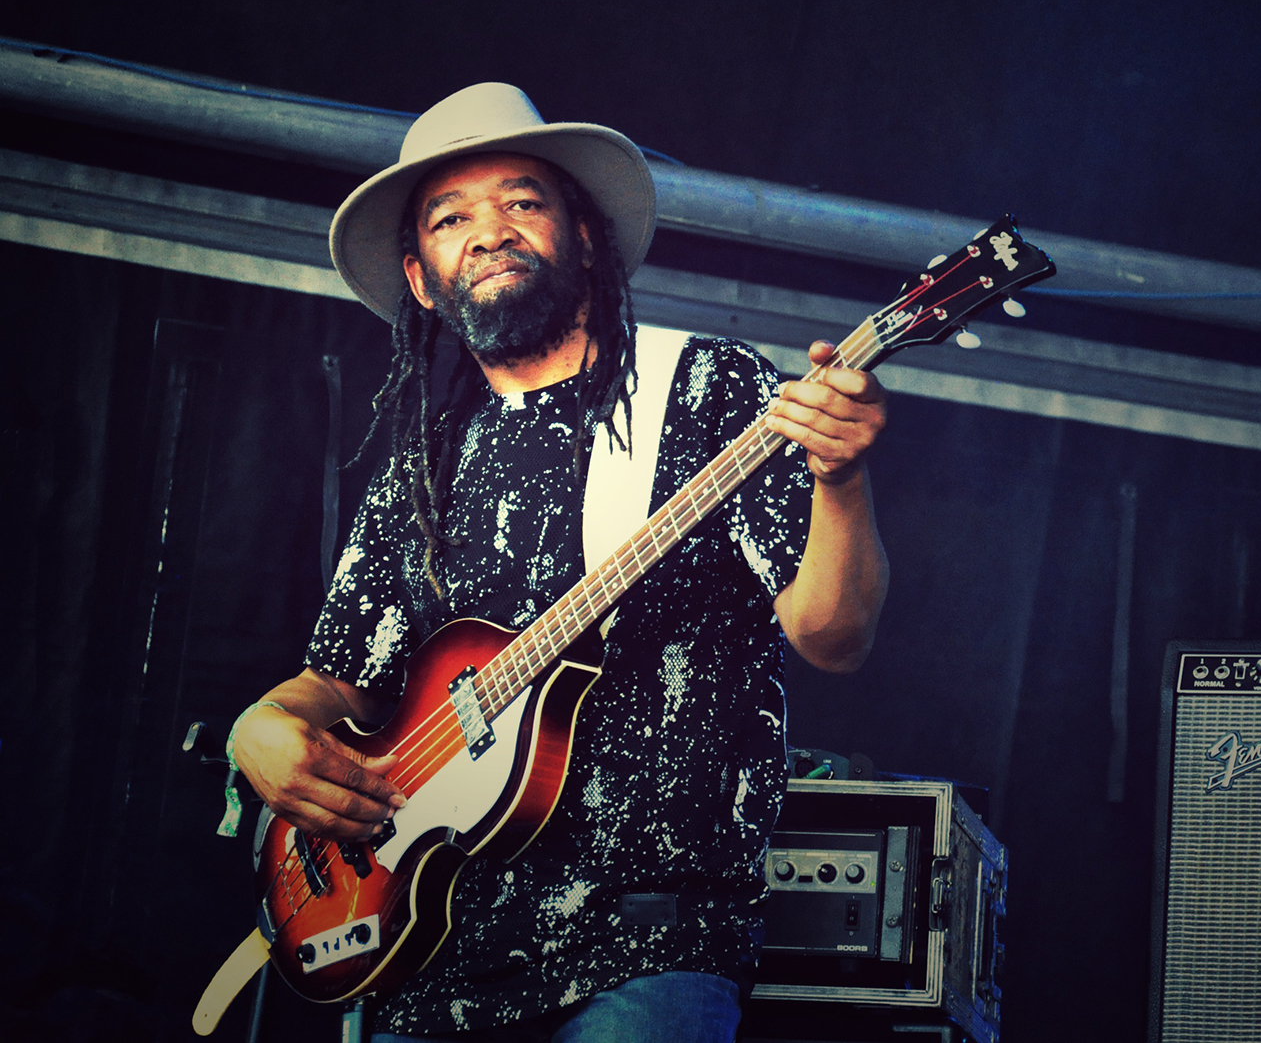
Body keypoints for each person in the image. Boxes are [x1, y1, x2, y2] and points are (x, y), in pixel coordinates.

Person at [228, 82, 888, 1042]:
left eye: (521, 201)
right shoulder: (424, 467)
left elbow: (836, 637)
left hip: (645, 944)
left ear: (583, 236)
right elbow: (336, 679)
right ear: (422, 279)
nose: (489, 232)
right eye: (451, 218)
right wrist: (262, 727)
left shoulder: (705, 386)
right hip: (428, 952)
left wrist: (842, 479)